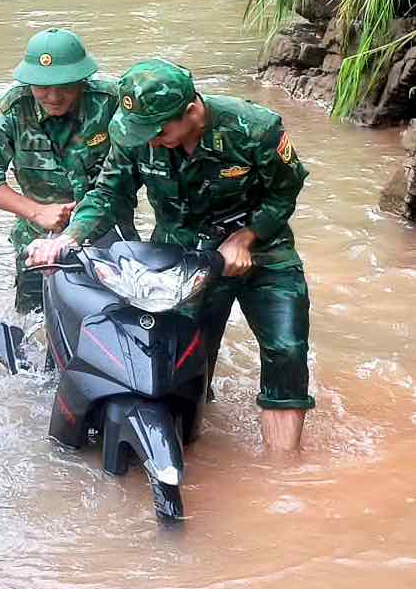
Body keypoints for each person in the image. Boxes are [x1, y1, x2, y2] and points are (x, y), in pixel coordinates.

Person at [25, 59, 314, 452]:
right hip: (180, 257)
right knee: (178, 359)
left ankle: (285, 474)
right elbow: (109, 193)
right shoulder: (137, 136)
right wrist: (68, 237)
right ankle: (194, 453)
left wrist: (246, 238)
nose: (153, 140)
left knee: (286, 350)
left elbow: (285, 190)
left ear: (193, 111)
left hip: (264, 252)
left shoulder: (255, 128)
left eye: (161, 131)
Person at [0, 28, 128, 313]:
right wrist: (38, 212)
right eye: (42, 86)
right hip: (38, 239)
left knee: (123, 317)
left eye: (64, 85)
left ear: (82, 79)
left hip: (108, 232)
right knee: (33, 321)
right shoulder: (9, 109)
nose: (53, 96)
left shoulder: (110, 99)